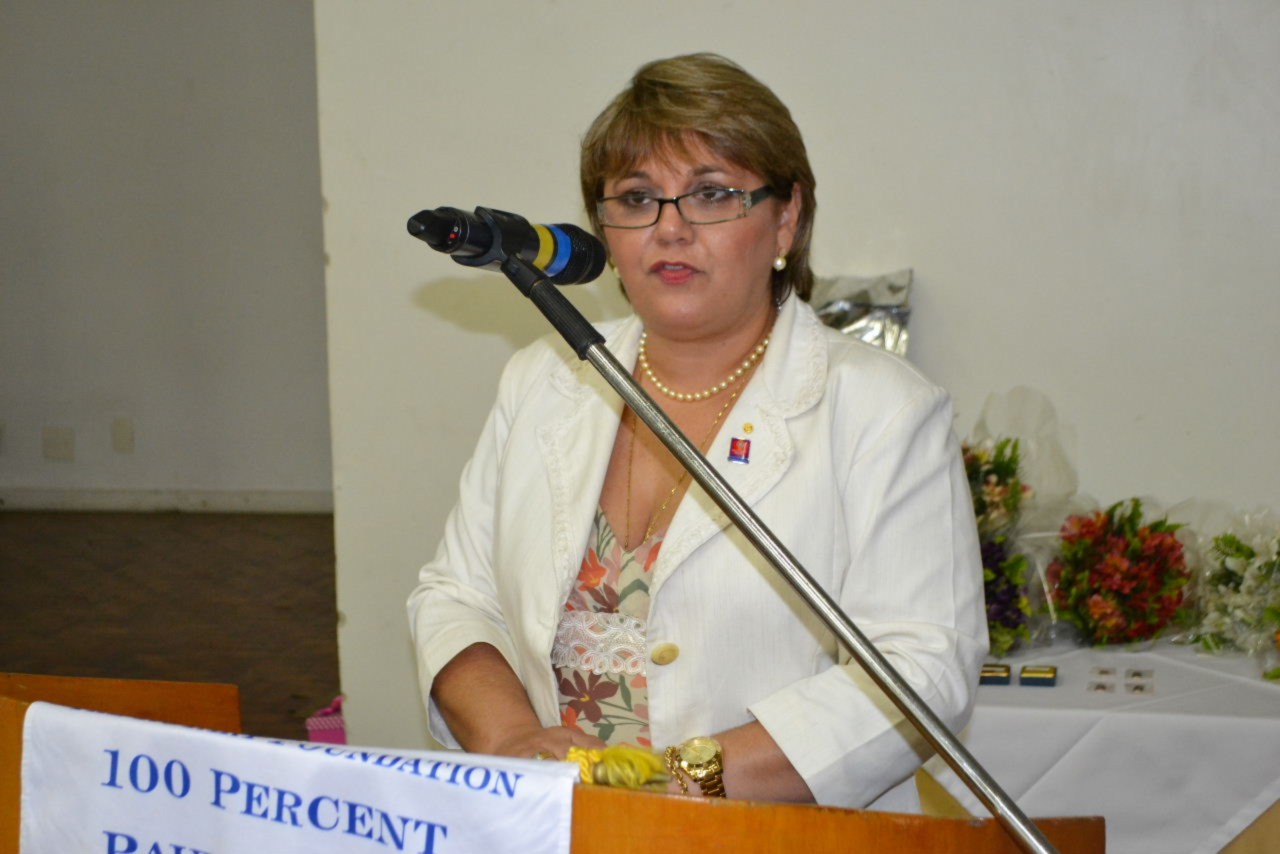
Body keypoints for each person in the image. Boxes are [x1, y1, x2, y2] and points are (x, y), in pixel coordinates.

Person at [407, 52, 986, 808]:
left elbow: (921, 671)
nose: (670, 229)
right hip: (553, 825)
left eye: (711, 195)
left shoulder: (882, 408)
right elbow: (456, 597)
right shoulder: (542, 381)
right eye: (637, 198)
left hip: (766, 833)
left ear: (787, 217)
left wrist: (682, 781)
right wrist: (512, 740)